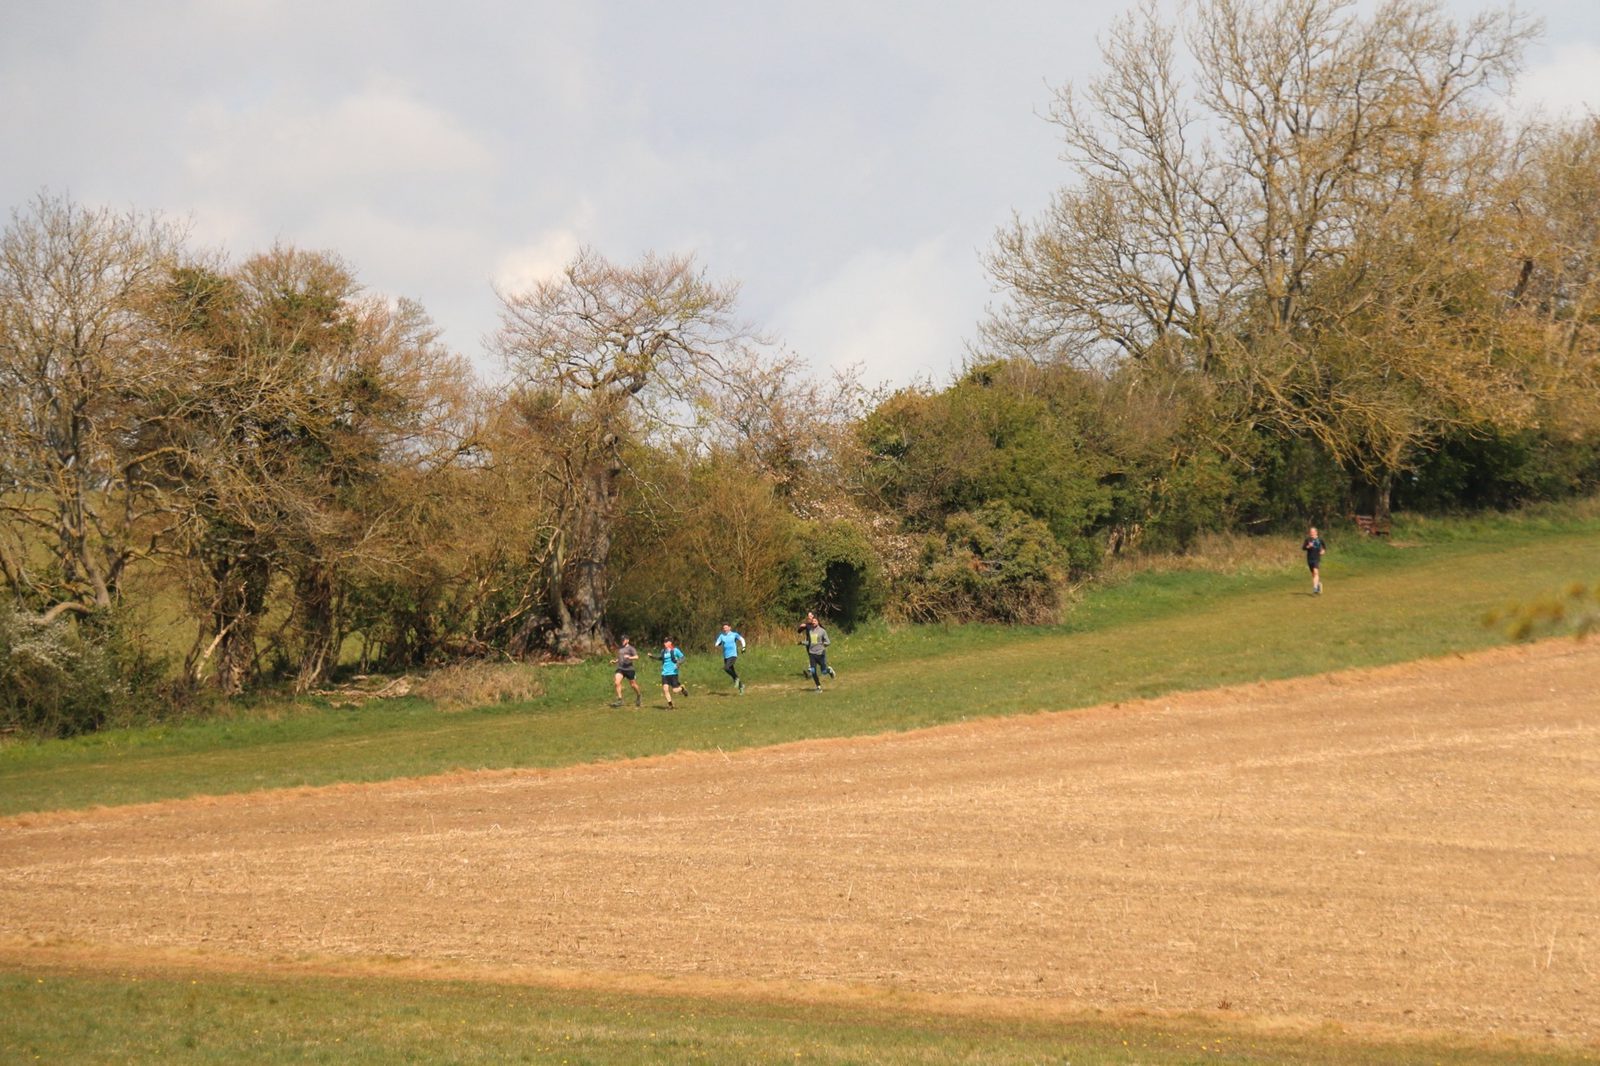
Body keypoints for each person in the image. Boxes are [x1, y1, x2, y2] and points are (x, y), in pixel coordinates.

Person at [797, 612, 835, 691]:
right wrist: (802, 643)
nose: (813, 622)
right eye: (813, 621)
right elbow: (811, 642)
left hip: (821, 654)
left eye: (815, 621)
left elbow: (828, 642)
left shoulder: (822, 631)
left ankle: (829, 670)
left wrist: (822, 645)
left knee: (823, 672)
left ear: (818, 622)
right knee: (813, 671)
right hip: (812, 654)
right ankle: (818, 687)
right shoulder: (811, 631)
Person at [649, 638, 688, 708]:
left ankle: (682, 688)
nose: (665, 644)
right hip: (665, 673)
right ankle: (670, 705)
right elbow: (660, 658)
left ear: (670, 643)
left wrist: (678, 663)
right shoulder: (663, 651)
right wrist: (652, 656)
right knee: (665, 689)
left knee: (675, 690)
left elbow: (683, 658)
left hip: (673, 673)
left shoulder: (675, 650)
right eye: (664, 642)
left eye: (666, 642)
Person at [714, 623, 747, 693]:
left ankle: (737, 680)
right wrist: (718, 644)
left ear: (730, 628)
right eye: (723, 628)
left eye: (726, 628)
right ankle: (741, 686)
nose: (725, 629)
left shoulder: (734, 634)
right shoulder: (722, 636)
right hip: (726, 656)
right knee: (732, 672)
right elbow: (717, 643)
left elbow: (742, 639)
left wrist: (743, 647)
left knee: (726, 668)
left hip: (733, 655)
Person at [610, 635, 642, 707]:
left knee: (633, 685)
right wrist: (615, 661)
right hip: (620, 668)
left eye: (623, 640)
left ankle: (639, 695)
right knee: (617, 682)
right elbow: (620, 658)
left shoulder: (631, 648)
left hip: (629, 669)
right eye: (621, 640)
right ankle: (620, 700)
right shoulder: (620, 649)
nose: (622, 641)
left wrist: (629, 657)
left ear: (627, 640)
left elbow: (637, 657)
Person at [1302, 526, 1327, 596]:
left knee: (1316, 572)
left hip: (1317, 558)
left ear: (1316, 532)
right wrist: (1308, 546)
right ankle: (1318, 584)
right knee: (1313, 574)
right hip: (1309, 559)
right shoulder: (1307, 540)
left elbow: (1324, 547)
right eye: (1310, 532)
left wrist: (1323, 551)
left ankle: (1315, 588)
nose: (1311, 533)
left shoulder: (1320, 540)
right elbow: (1303, 548)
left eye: (1313, 532)